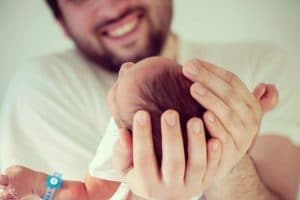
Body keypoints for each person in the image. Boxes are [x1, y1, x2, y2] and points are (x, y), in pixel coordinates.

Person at [0, 0, 299, 199]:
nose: (109, 4)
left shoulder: (120, 143)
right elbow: (83, 194)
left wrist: (233, 161)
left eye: (125, 79)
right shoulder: (43, 87)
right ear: (62, 22)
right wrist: (39, 183)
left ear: (131, 126)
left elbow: (83, 195)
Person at [0, 56, 279, 200]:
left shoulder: (196, 157)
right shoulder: (121, 128)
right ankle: (39, 183)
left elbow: (233, 143)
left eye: (126, 77)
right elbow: (86, 191)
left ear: (136, 136)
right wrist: (255, 109)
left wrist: (250, 117)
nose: (126, 67)